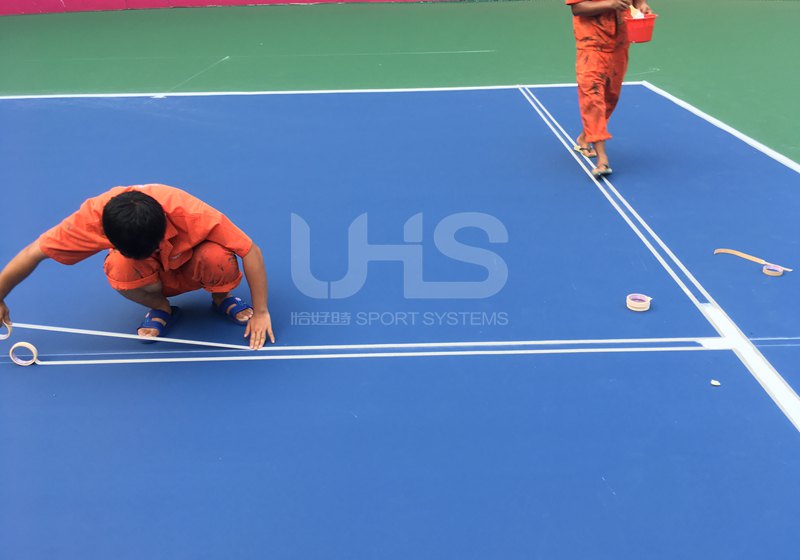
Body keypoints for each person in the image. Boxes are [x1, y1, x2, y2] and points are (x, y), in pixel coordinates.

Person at [0, 184, 275, 350]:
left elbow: (250, 250)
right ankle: (162, 308)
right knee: (119, 266)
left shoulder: (188, 212)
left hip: (193, 265)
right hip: (150, 276)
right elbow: (32, 253)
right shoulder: (90, 220)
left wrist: (262, 311)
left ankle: (221, 299)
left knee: (217, 257)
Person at [567, 0, 652, 177]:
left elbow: (637, 2)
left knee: (610, 99)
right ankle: (602, 159)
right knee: (593, 99)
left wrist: (642, 6)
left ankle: (585, 137)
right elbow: (578, 8)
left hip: (620, 45)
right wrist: (610, 4)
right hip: (591, 46)